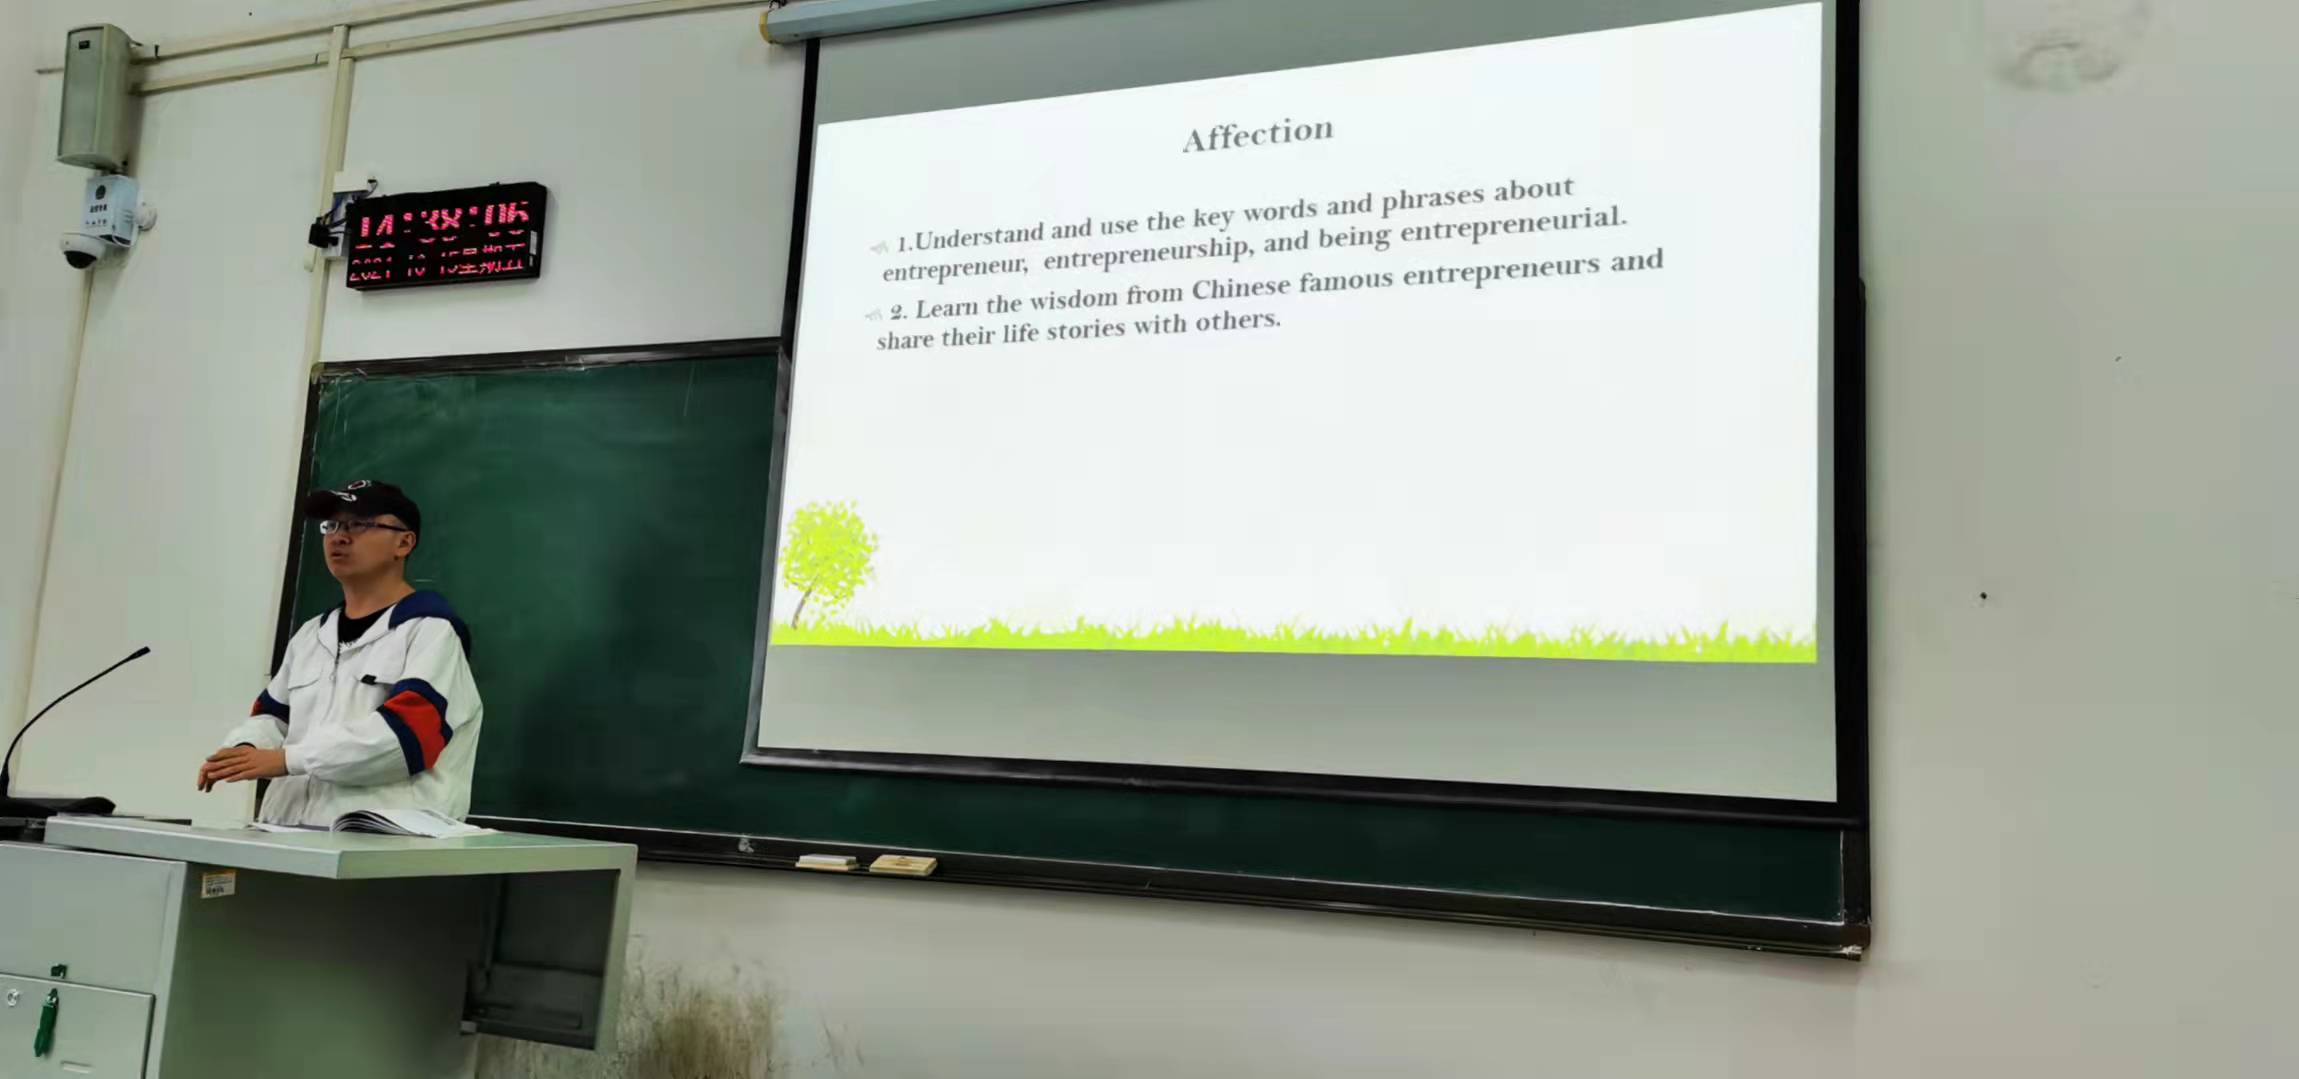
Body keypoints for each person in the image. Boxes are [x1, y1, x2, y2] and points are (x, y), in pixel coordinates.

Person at [199, 481, 483, 825]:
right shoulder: (311, 635)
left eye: (359, 524)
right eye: (331, 525)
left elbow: (407, 737)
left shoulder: (430, 630)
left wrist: (288, 760)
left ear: (404, 543)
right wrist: (245, 747)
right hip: (288, 834)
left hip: (381, 839)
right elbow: (274, 717)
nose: (339, 536)